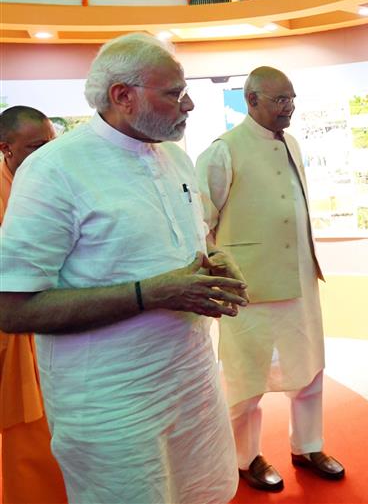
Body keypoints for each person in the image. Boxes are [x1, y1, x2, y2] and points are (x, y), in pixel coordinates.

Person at [0, 33, 249, 504]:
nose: (189, 103)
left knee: (205, 493)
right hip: (111, 407)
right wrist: (150, 294)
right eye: (174, 92)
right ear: (123, 96)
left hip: (192, 383)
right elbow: (12, 308)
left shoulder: (174, 157)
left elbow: (191, 244)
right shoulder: (54, 169)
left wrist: (216, 260)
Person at [196, 66, 344, 493]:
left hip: (300, 280)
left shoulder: (292, 143)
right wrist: (221, 271)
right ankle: (245, 458)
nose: (289, 107)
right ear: (252, 100)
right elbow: (201, 220)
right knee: (245, 379)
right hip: (249, 289)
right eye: (280, 100)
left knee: (310, 368)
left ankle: (308, 446)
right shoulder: (223, 151)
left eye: (292, 99)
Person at [0, 106, 67, 504]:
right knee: (26, 433)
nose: (46, 153)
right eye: (35, 146)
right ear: (5, 148)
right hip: (13, 329)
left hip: (52, 321)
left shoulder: (46, 179)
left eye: (50, 144)